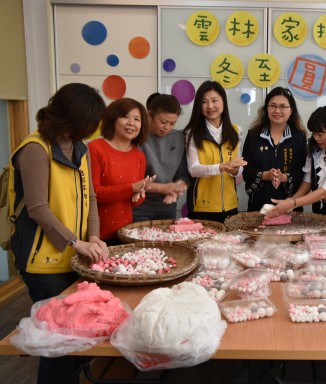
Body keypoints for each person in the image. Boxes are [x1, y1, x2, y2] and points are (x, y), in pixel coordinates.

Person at [8, 83, 109, 384]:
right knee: (57, 343)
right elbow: (38, 208)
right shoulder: (35, 149)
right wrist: (76, 242)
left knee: (74, 337)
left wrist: (93, 237)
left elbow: (90, 197)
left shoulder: (81, 148)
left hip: (74, 254)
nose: (88, 133)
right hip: (42, 259)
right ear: (66, 119)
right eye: (84, 125)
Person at [267, 106, 326, 218]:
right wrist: (291, 200)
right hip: (320, 215)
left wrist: (293, 203)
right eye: (314, 133)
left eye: (320, 134)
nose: (316, 138)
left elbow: (325, 191)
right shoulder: (315, 150)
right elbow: (308, 180)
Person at [88, 98, 154, 245]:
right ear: (113, 118)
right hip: (96, 236)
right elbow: (93, 194)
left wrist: (140, 193)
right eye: (125, 116)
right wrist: (131, 188)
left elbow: (134, 202)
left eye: (137, 119)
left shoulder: (139, 156)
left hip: (126, 234)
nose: (131, 123)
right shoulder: (95, 148)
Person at [184, 81, 246, 223]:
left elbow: (239, 168)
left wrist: (236, 170)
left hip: (231, 205)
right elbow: (193, 169)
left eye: (214, 100)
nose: (210, 106)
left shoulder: (236, 131)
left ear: (223, 102)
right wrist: (221, 167)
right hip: (202, 208)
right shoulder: (192, 133)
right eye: (204, 102)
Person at [242, 87, 307, 212]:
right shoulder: (253, 136)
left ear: (291, 110)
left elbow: (303, 173)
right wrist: (265, 175)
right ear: (266, 108)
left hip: (290, 206)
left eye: (283, 106)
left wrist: (284, 177)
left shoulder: (299, 137)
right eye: (273, 106)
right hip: (259, 206)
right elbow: (246, 171)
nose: (277, 110)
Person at [133, 93, 190, 222]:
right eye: (163, 122)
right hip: (139, 206)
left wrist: (178, 186)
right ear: (149, 115)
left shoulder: (179, 138)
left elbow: (183, 174)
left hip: (168, 207)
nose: (167, 127)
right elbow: (131, 180)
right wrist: (163, 188)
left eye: (172, 123)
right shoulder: (137, 137)